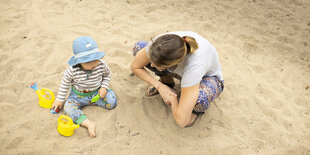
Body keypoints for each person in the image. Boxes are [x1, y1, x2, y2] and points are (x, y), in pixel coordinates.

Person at [131, 31, 224, 127]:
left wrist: (173, 98)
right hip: (180, 68)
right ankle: (167, 82)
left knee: (200, 99)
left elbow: (181, 121)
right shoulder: (159, 44)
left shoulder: (193, 68)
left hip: (207, 77)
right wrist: (160, 86)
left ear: (174, 65)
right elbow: (135, 66)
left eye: (156, 65)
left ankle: (195, 111)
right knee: (138, 48)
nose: (151, 65)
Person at [52, 36, 117, 137]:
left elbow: (107, 75)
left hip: (96, 93)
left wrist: (104, 87)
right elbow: (65, 83)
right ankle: (88, 123)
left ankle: (98, 99)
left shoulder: (102, 65)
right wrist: (59, 99)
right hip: (77, 96)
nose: (93, 64)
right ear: (78, 61)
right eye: (87, 61)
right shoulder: (73, 70)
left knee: (112, 102)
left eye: (95, 59)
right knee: (68, 108)